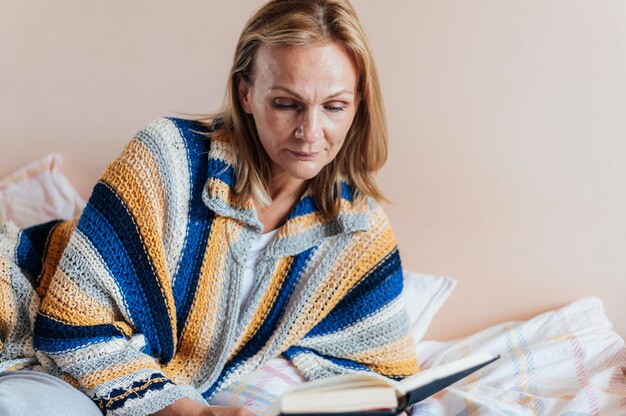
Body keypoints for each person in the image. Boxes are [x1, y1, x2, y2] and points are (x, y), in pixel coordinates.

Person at [0, 0, 419, 415]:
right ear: (246, 92)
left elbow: (386, 378)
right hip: (24, 319)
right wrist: (194, 412)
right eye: (286, 104)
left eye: (334, 107)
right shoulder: (166, 157)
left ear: (359, 102)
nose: (310, 132)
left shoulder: (356, 228)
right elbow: (73, 326)